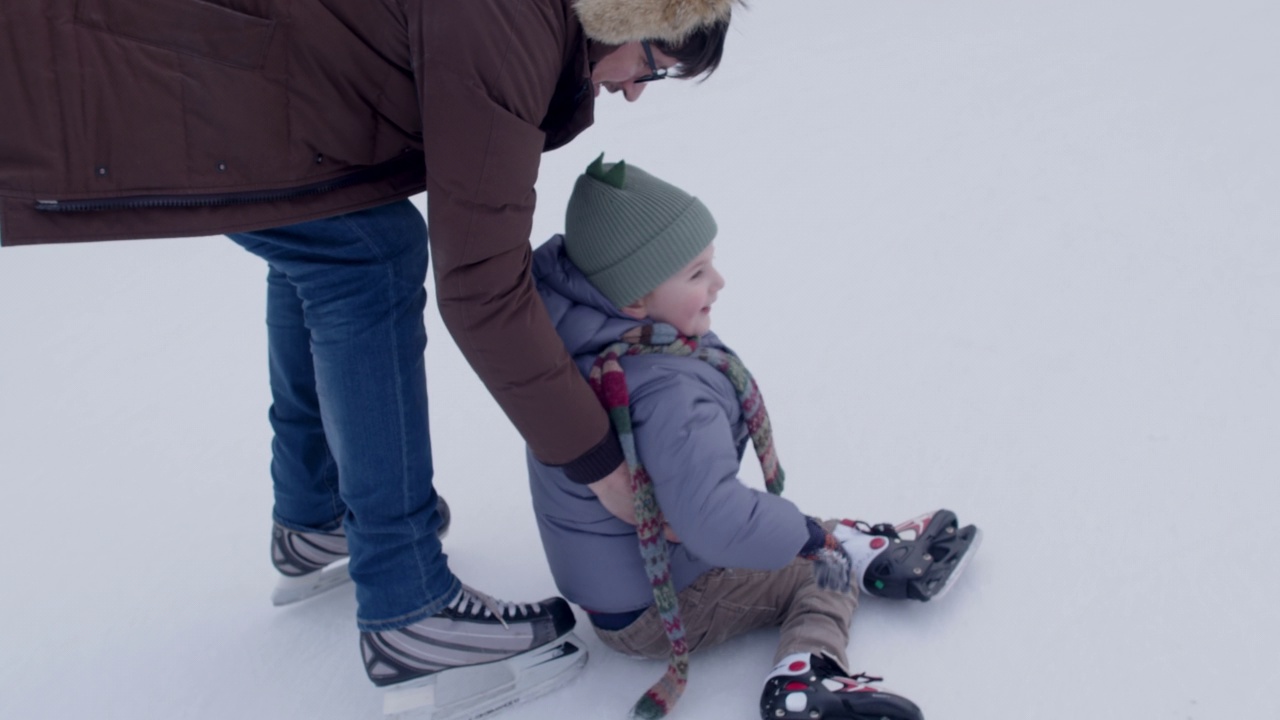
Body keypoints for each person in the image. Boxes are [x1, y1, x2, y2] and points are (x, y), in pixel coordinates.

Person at [0, 1, 743, 717]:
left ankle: (318, 514)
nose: (637, 92)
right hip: (107, 68)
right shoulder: (506, 17)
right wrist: (602, 466)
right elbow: (482, 286)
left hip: (194, 60)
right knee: (367, 257)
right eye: (654, 61)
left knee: (337, 231)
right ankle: (409, 610)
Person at [527, 156, 983, 719]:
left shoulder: (569, 353)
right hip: (657, 605)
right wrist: (807, 539)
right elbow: (714, 520)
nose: (718, 283)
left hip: (624, 585)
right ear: (632, 301)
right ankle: (806, 676)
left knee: (781, 528)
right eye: (696, 274)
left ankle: (863, 545)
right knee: (824, 572)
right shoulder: (666, 387)